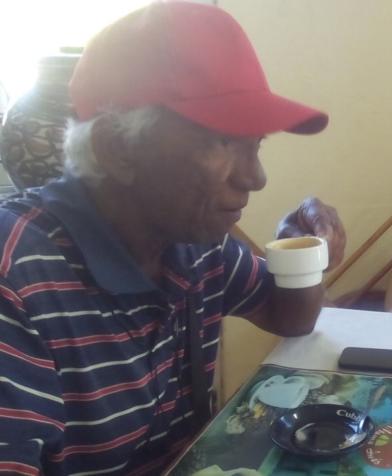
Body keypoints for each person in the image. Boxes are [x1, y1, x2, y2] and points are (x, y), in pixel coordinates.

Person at [0, 2, 346, 474]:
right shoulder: (17, 276)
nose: (256, 177)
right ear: (117, 148)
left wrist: (300, 254)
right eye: (223, 142)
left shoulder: (194, 242)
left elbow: (289, 317)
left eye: (256, 144)